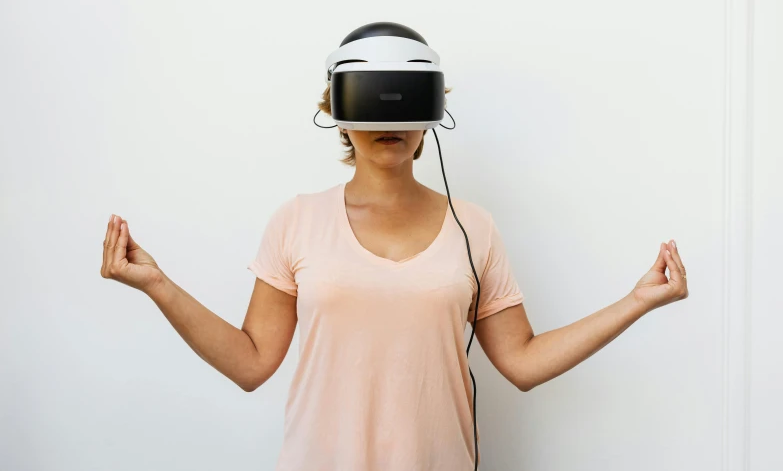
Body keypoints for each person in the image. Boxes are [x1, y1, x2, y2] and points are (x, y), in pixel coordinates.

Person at [99, 85, 689, 471]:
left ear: (430, 114)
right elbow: (252, 363)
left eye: (405, 101)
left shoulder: (473, 227)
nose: (391, 121)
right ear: (338, 112)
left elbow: (523, 362)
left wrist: (636, 301)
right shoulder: (297, 220)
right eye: (374, 103)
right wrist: (159, 285)